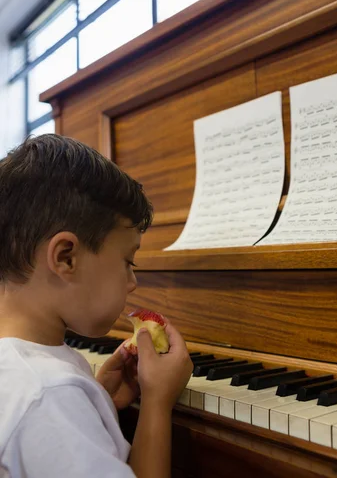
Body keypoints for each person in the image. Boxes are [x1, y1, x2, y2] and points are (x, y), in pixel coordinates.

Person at [0, 134, 193, 478]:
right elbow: (48, 410)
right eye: (127, 260)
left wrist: (98, 399)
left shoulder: (31, 376)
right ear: (66, 258)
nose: (132, 281)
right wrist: (156, 405)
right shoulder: (49, 395)